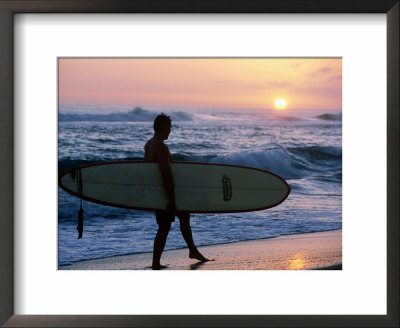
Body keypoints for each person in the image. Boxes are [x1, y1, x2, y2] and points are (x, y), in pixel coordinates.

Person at [144, 113, 209, 270]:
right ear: (163, 127)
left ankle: (193, 250)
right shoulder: (161, 147)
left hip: (157, 192)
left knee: (184, 215)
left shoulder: (149, 144)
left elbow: (147, 172)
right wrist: (171, 199)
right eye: (169, 128)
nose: (170, 131)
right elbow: (166, 175)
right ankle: (155, 263)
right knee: (165, 226)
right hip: (164, 193)